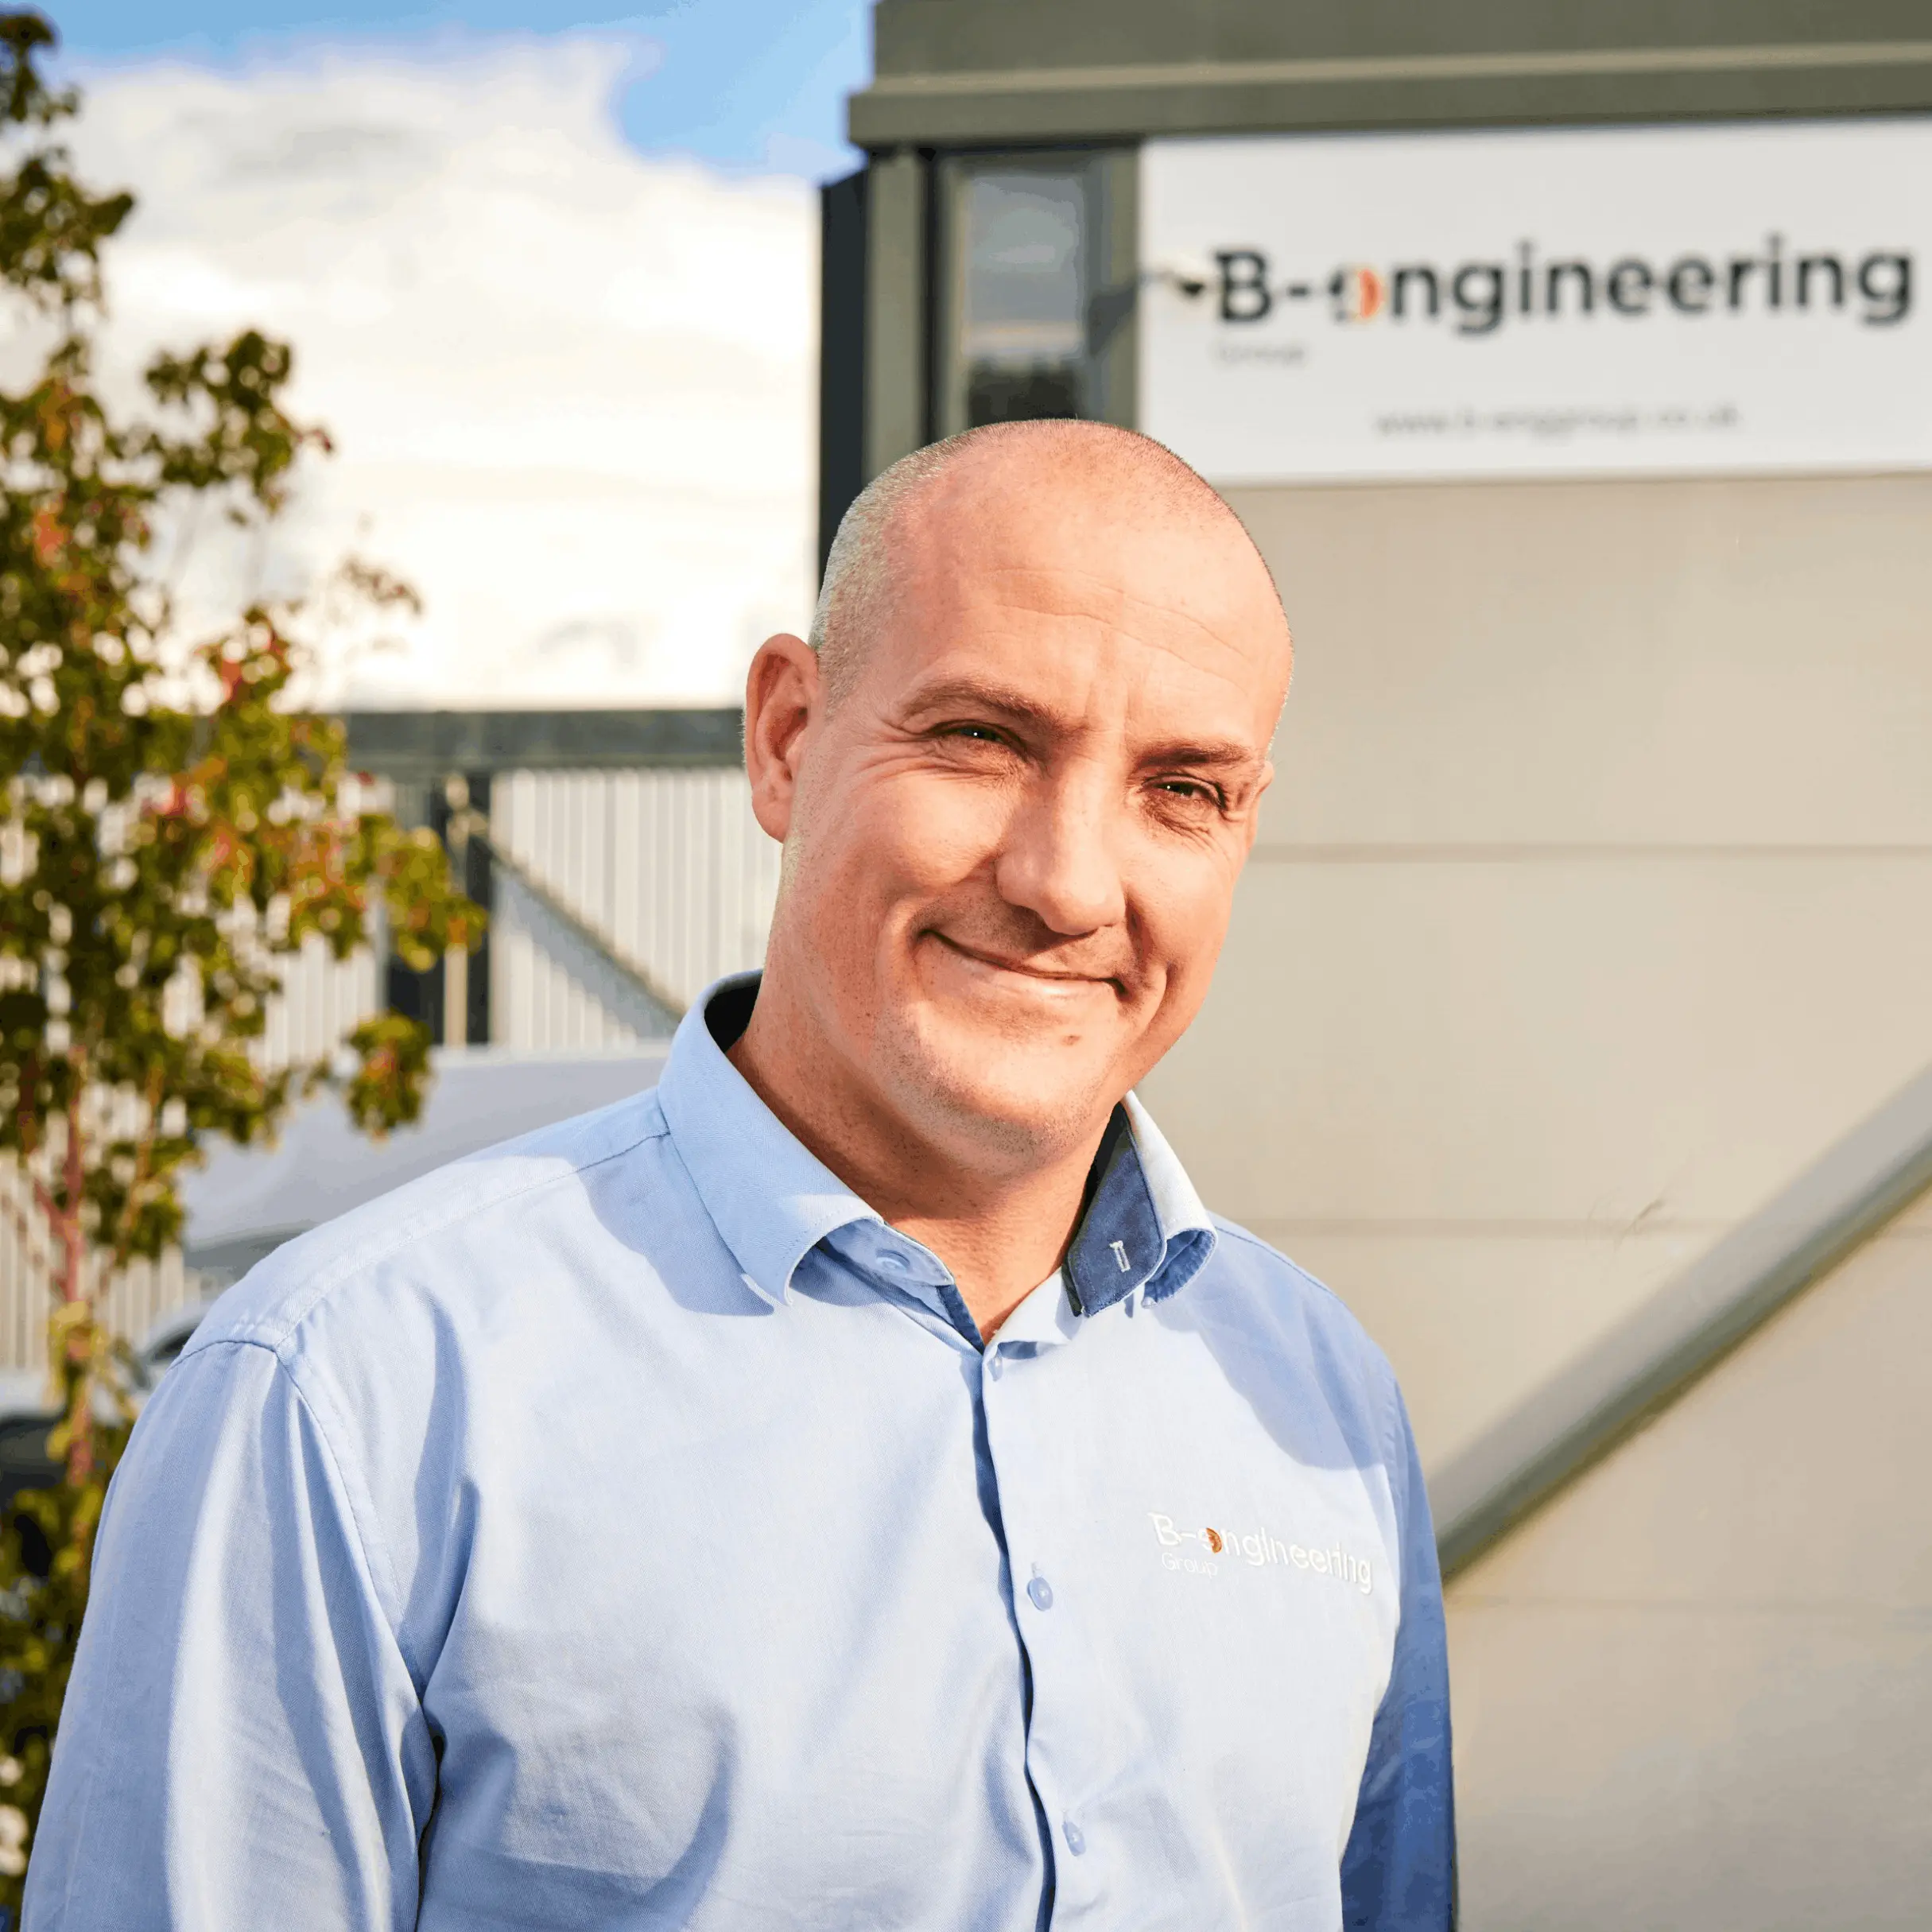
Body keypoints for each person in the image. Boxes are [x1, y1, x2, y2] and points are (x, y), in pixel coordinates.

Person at [26, 421, 1453, 1929]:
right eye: (982, 737)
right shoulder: (350, 1390)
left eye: (1183, 788)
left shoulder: (1316, 1400)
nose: (1066, 881)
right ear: (785, 737)